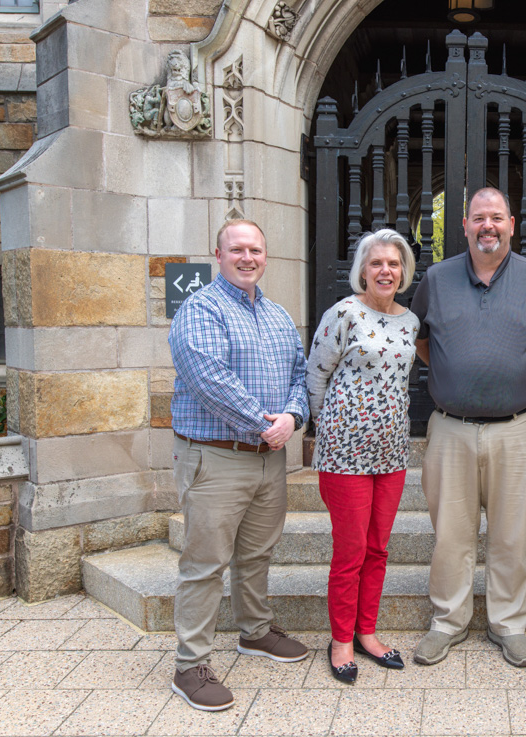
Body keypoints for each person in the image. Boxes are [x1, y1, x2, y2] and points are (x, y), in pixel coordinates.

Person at [410, 187, 526, 667]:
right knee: (451, 536)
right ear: (464, 225)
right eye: (479, 218)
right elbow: (417, 340)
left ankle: (509, 624)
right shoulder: (435, 279)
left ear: (513, 224)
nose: (488, 227)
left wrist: (510, 376)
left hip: (517, 430)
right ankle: (447, 622)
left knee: (510, 535)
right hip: (450, 430)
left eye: (497, 217)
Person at [167, 219, 310, 711]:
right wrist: (264, 424)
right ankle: (190, 665)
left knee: (256, 554)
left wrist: (292, 417)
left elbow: (300, 374)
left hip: (269, 459)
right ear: (218, 253)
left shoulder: (277, 315)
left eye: (255, 250)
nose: (247, 258)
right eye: (237, 250)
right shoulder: (200, 309)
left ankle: (255, 632)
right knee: (205, 563)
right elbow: (209, 379)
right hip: (216, 458)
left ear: (265, 256)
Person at [306, 229, 419, 684]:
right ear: (363, 270)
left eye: (393, 264)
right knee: (350, 550)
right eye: (377, 264)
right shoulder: (344, 313)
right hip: (344, 452)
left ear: (404, 271)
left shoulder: (410, 321)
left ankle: (368, 633)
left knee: (378, 547)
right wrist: (330, 427)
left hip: (391, 453)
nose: (386, 271)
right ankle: (341, 641)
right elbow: (316, 376)